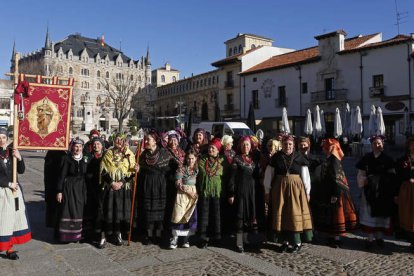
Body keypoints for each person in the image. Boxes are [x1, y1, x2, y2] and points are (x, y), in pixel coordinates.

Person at [264, 135, 312, 253]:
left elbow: (305, 176)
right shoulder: (276, 157)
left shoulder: (300, 157)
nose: (288, 146)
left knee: (294, 213)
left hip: (296, 190)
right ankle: (284, 242)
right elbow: (269, 175)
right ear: (282, 144)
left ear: (293, 145)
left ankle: (297, 242)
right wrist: (267, 191)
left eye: (290, 144)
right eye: (285, 144)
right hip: (279, 189)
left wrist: (307, 192)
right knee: (282, 213)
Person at [312, 138, 357, 248]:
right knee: (331, 215)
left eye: (325, 147)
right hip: (329, 191)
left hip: (335, 193)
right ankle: (332, 237)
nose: (323, 149)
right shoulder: (331, 159)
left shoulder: (334, 161)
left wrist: (335, 195)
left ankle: (336, 239)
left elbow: (337, 180)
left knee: (336, 215)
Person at [356, 135, 395, 249]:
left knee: (381, 215)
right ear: (371, 145)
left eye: (379, 143)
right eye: (375, 143)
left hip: (383, 192)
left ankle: (380, 237)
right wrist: (364, 181)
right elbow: (361, 173)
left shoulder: (388, 159)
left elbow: (392, 175)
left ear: (383, 144)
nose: (377, 145)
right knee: (369, 214)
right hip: (369, 191)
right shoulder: (366, 158)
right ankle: (370, 238)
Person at [99, 133, 136, 246]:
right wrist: (112, 183)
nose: (119, 141)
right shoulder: (108, 153)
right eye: (117, 139)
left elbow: (132, 172)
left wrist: (121, 182)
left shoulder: (129, 154)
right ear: (113, 140)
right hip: (110, 188)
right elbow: (103, 171)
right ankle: (104, 235)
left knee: (120, 211)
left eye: (121, 140)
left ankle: (118, 234)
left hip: (123, 188)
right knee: (108, 211)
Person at [0, 128, 31, 260]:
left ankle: (9, 248)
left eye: (3, 137)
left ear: (7, 138)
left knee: (12, 220)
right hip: (2, 191)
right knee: (2, 219)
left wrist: (19, 158)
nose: (1, 140)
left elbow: (21, 170)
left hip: (14, 192)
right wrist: (8, 184)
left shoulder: (11, 152)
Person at [137, 130, 171, 245]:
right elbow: (141, 170)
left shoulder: (163, 153)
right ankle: (148, 234)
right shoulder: (142, 155)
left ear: (155, 141)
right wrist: (139, 170)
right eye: (145, 139)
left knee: (159, 211)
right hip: (146, 185)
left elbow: (168, 169)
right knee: (148, 211)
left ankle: (158, 234)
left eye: (148, 139)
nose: (146, 141)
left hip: (159, 185)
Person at [228, 136, 260, 252]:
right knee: (240, 215)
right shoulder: (237, 159)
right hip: (240, 190)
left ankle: (246, 239)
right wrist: (231, 193)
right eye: (243, 145)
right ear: (240, 146)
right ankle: (239, 242)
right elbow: (232, 178)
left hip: (251, 191)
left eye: (247, 145)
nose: (246, 147)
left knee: (249, 214)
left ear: (251, 146)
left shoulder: (253, 159)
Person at [56, 137, 88, 243]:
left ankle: (78, 235)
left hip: (81, 188)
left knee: (79, 210)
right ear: (72, 147)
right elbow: (61, 176)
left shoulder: (86, 158)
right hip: (69, 188)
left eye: (79, 146)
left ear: (82, 148)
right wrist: (59, 191)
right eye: (76, 146)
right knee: (68, 210)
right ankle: (67, 236)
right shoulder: (66, 158)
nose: (77, 149)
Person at [197, 138, 224, 248]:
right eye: (209, 147)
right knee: (204, 214)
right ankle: (203, 239)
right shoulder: (202, 160)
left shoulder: (222, 161)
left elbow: (223, 175)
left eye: (213, 148)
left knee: (216, 215)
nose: (210, 149)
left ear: (218, 150)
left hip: (216, 192)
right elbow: (203, 171)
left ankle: (216, 238)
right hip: (205, 191)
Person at [170, 149, 199, 249]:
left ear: (195, 159)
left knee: (190, 217)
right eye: (189, 158)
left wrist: (194, 193)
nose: (190, 161)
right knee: (178, 216)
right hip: (182, 194)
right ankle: (174, 239)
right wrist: (188, 191)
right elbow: (178, 183)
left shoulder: (197, 169)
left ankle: (186, 239)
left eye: (192, 159)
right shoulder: (181, 169)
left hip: (193, 195)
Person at [85, 137, 106, 246]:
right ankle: (90, 234)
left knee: (100, 211)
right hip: (90, 187)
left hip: (102, 187)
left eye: (98, 144)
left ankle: (101, 235)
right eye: (94, 144)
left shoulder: (106, 156)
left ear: (102, 145)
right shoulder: (88, 156)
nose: (96, 146)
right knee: (90, 210)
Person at [165, 131, 185, 242]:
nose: (173, 142)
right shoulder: (165, 152)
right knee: (170, 206)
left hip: (181, 183)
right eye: (171, 140)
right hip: (169, 182)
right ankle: (169, 230)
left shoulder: (182, 152)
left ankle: (179, 230)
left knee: (179, 206)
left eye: (175, 140)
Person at [396, 136, 414, 250]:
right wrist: (395, 195)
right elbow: (397, 177)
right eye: (412, 144)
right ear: (409, 146)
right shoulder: (402, 160)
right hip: (406, 192)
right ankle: (411, 240)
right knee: (408, 216)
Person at [44, 150, 67, 232]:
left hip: (57, 183)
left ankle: (56, 224)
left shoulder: (63, 154)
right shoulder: (51, 153)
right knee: (53, 204)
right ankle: (53, 224)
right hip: (52, 182)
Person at [220, 135, 236, 235]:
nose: (232, 144)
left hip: (231, 180)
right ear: (226, 144)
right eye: (230, 143)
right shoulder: (222, 154)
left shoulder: (233, 153)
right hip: (224, 180)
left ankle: (229, 227)